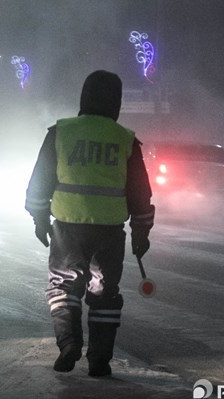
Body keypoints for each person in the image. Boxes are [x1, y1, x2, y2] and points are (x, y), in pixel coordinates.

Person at [25, 70, 155, 377]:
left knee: (64, 287)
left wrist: (39, 218)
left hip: (68, 226)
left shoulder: (62, 132)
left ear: (83, 97)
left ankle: (69, 345)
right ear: (117, 102)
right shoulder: (125, 140)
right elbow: (140, 193)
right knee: (105, 294)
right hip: (110, 231)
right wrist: (141, 232)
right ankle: (99, 360)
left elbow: (40, 181)